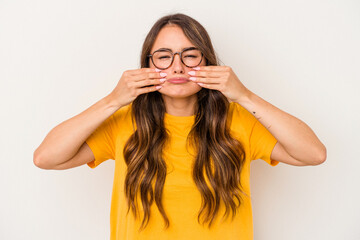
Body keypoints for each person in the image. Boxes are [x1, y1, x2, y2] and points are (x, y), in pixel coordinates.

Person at [33, 13, 326, 240]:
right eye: (163, 56)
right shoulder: (125, 123)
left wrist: (244, 95)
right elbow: (46, 158)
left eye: (190, 55)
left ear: (207, 61)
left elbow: (313, 154)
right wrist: (113, 100)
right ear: (147, 64)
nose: (177, 67)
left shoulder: (238, 120)